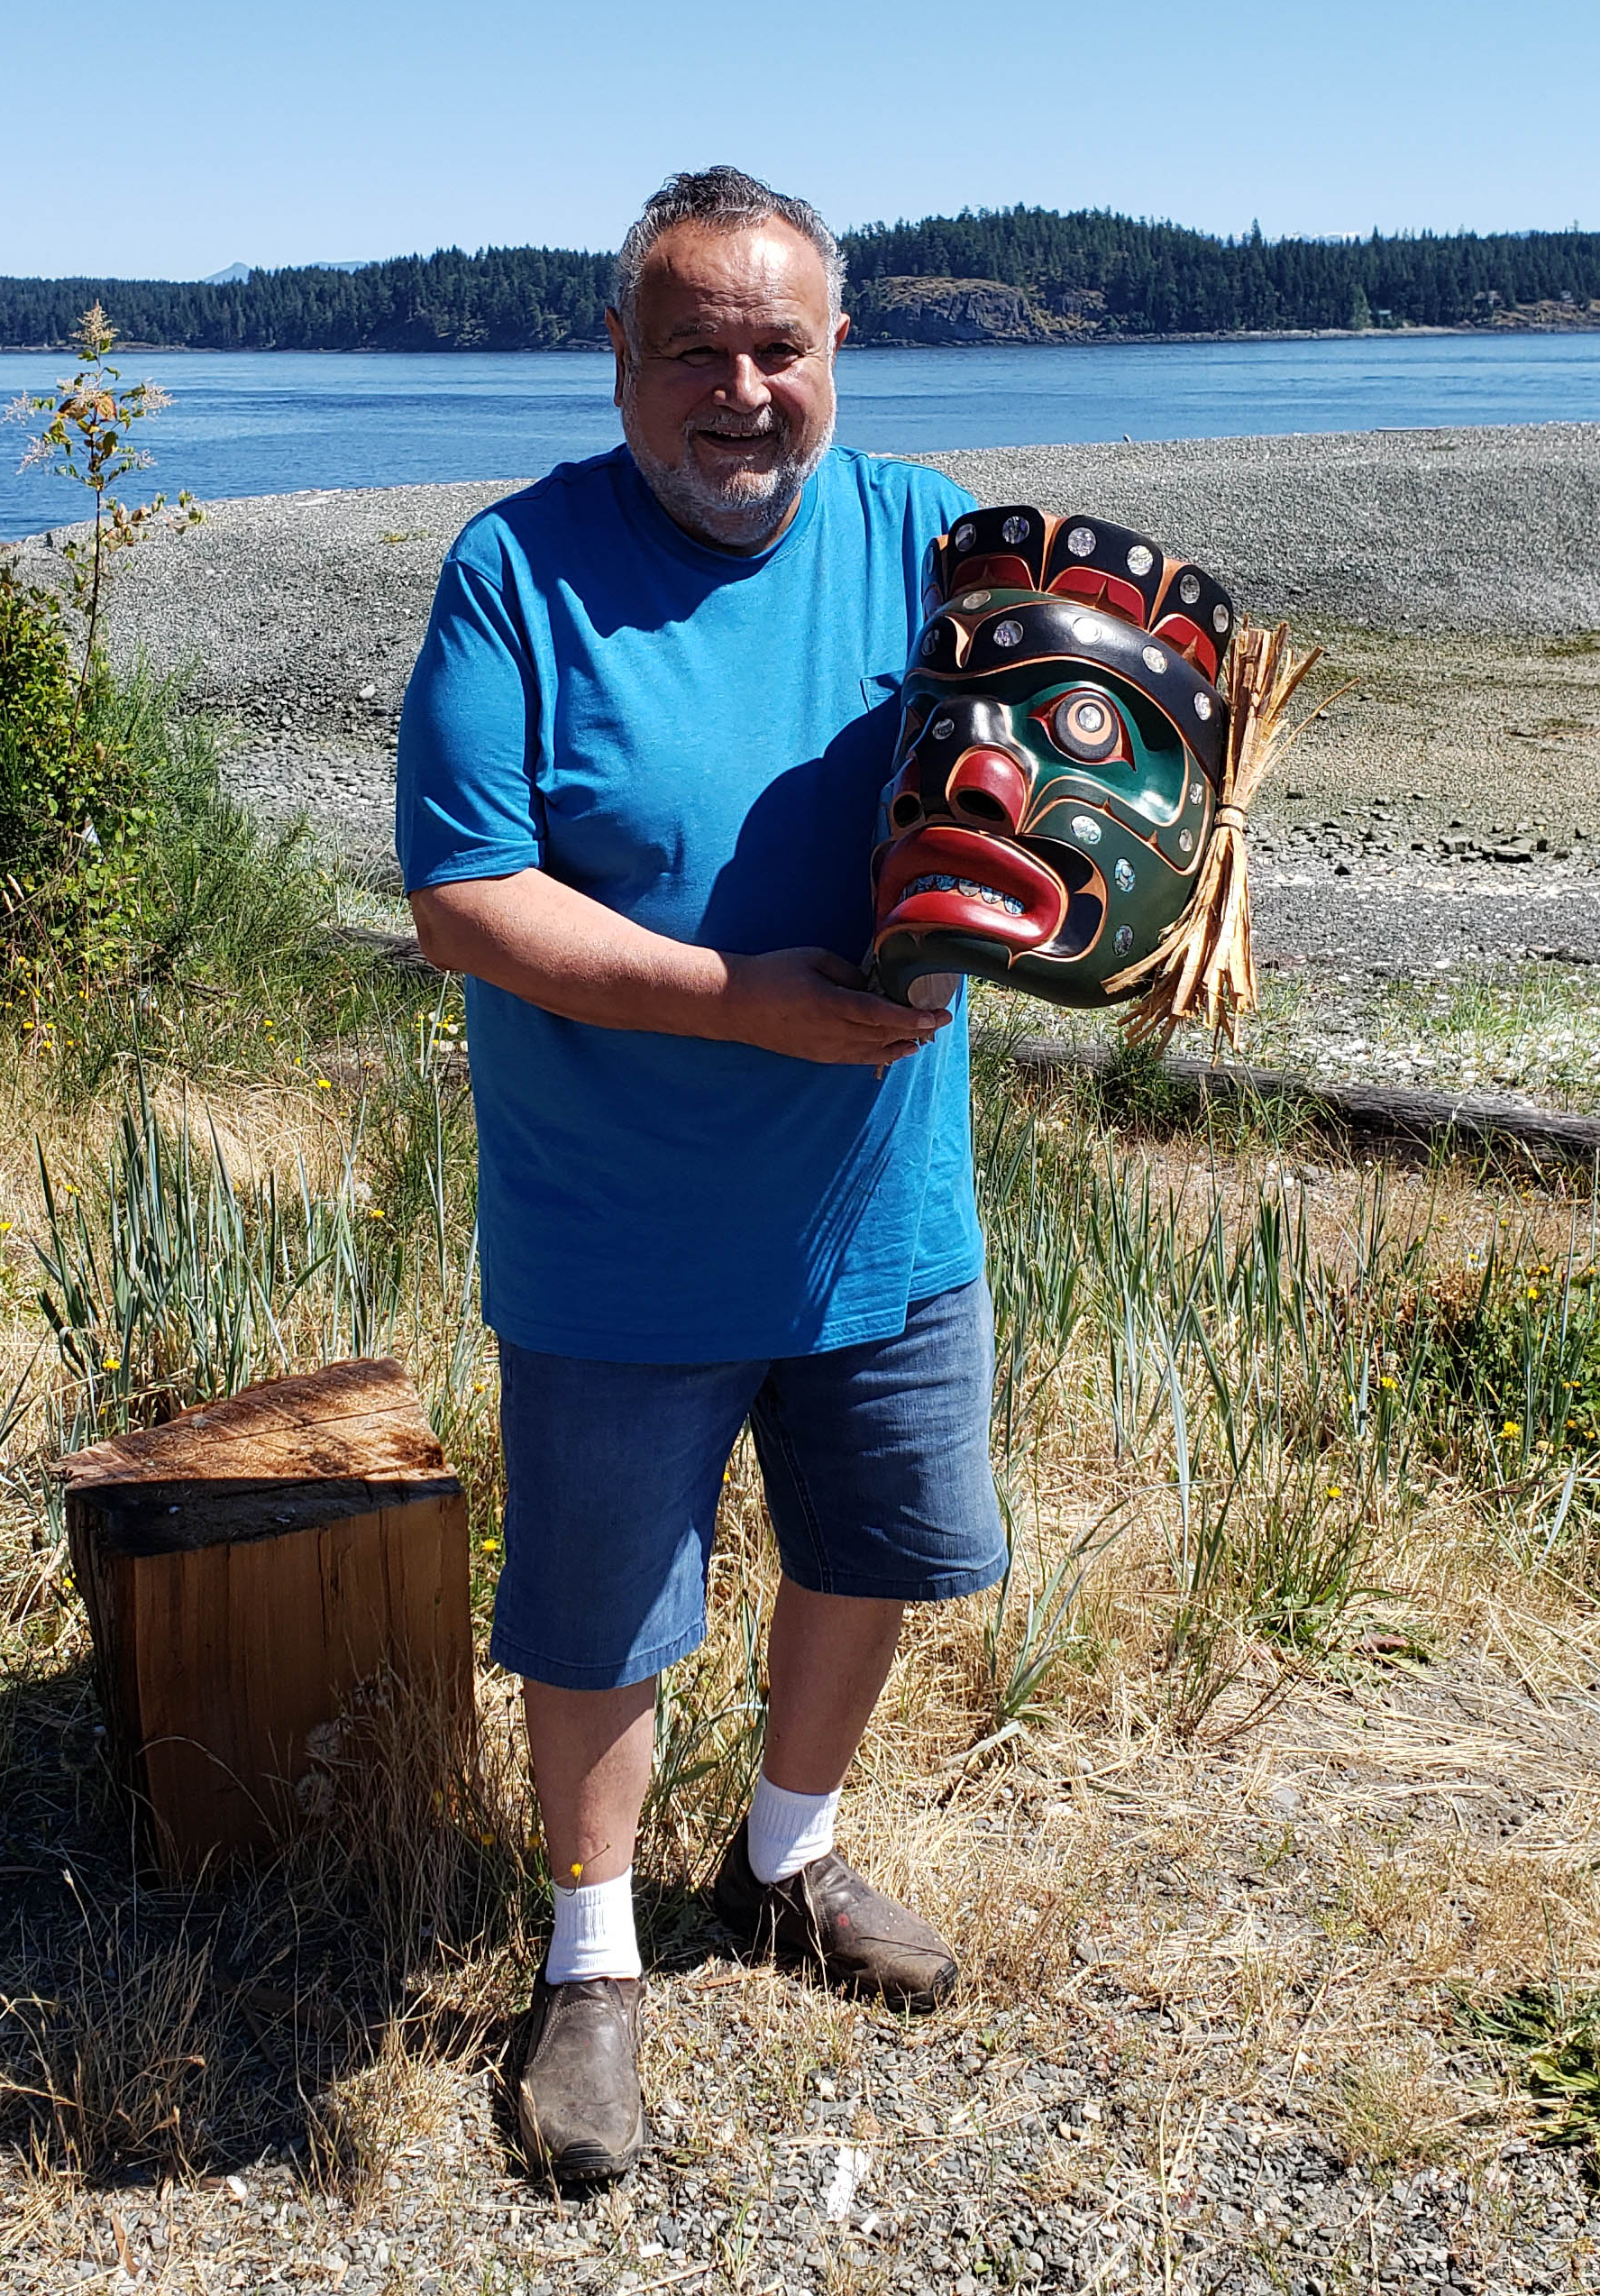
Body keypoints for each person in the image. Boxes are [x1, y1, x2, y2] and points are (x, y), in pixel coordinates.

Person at [394, 166, 1001, 2183]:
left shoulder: (925, 539)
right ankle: (589, 1963)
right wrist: (739, 995)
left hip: (880, 1201)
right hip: (618, 1219)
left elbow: (1089, 728)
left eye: (779, 347)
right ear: (622, 358)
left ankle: (787, 1852)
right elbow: (466, 901)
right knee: (597, 1607)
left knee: (867, 1537)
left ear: (838, 351)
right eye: (694, 350)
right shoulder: (516, 568)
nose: (738, 391)